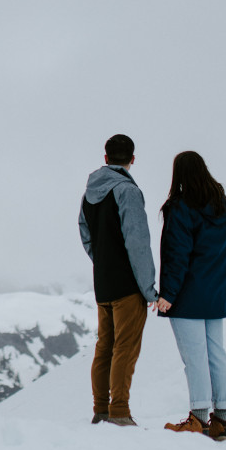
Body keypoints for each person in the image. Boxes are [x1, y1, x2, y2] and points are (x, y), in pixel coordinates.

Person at [155, 151, 226, 442]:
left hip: (188, 294)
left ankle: (199, 420)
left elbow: (177, 254)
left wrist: (168, 294)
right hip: (217, 291)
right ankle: (223, 422)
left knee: (195, 358)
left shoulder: (180, 207)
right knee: (216, 354)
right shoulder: (223, 204)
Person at [79, 134, 158, 426]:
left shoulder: (88, 194)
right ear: (132, 160)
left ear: (106, 158)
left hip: (103, 283)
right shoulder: (128, 191)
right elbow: (138, 242)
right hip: (128, 285)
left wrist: (102, 263)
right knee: (125, 347)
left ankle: (100, 409)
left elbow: (85, 235)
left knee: (104, 346)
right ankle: (120, 411)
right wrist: (148, 288)